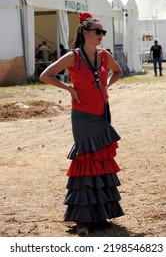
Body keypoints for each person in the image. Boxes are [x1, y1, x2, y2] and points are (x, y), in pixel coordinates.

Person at [40, 12, 124, 235]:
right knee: (86, 161)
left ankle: (100, 214)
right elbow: (46, 75)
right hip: (83, 117)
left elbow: (118, 72)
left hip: (101, 114)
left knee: (101, 160)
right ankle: (83, 219)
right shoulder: (73, 57)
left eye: (103, 32)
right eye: (98, 31)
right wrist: (68, 88)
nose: (101, 35)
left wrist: (106, 84)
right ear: (85, 33)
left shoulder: (104, 55)